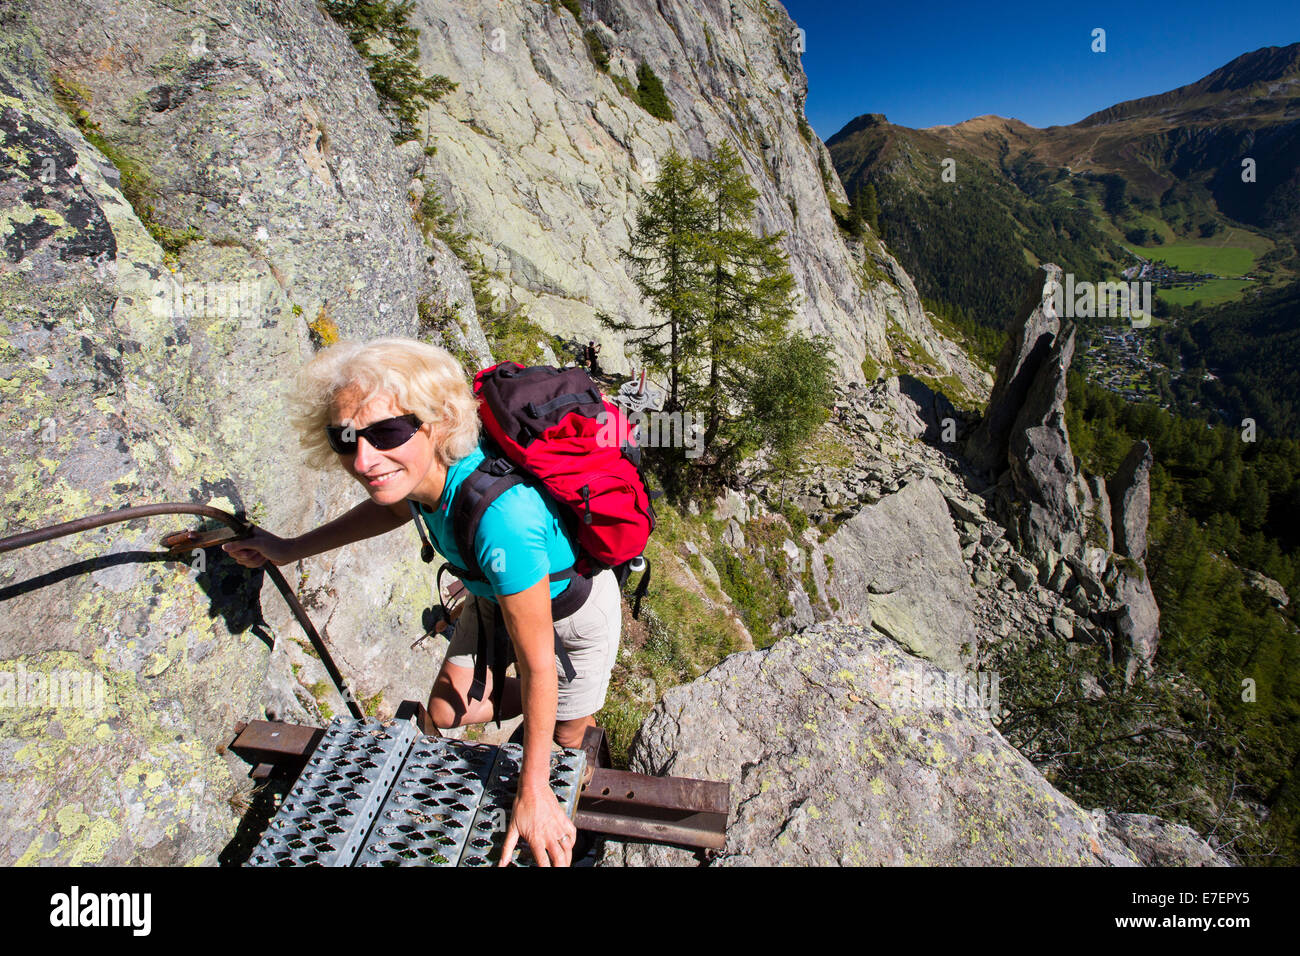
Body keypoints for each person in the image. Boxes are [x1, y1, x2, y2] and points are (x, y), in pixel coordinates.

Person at [221, 337, 622, 867]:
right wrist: (288, 548)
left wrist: (533, 792)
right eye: (345, 437)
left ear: (437, 422)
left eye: (387, 432)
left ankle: (568, 729)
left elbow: (538, 660)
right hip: (494, 598)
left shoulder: (503, 520)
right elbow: (390, 512)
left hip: (569, 620)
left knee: (565, 746)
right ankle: (546, 705)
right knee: (443, 711)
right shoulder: (421, 476)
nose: (365, 459)